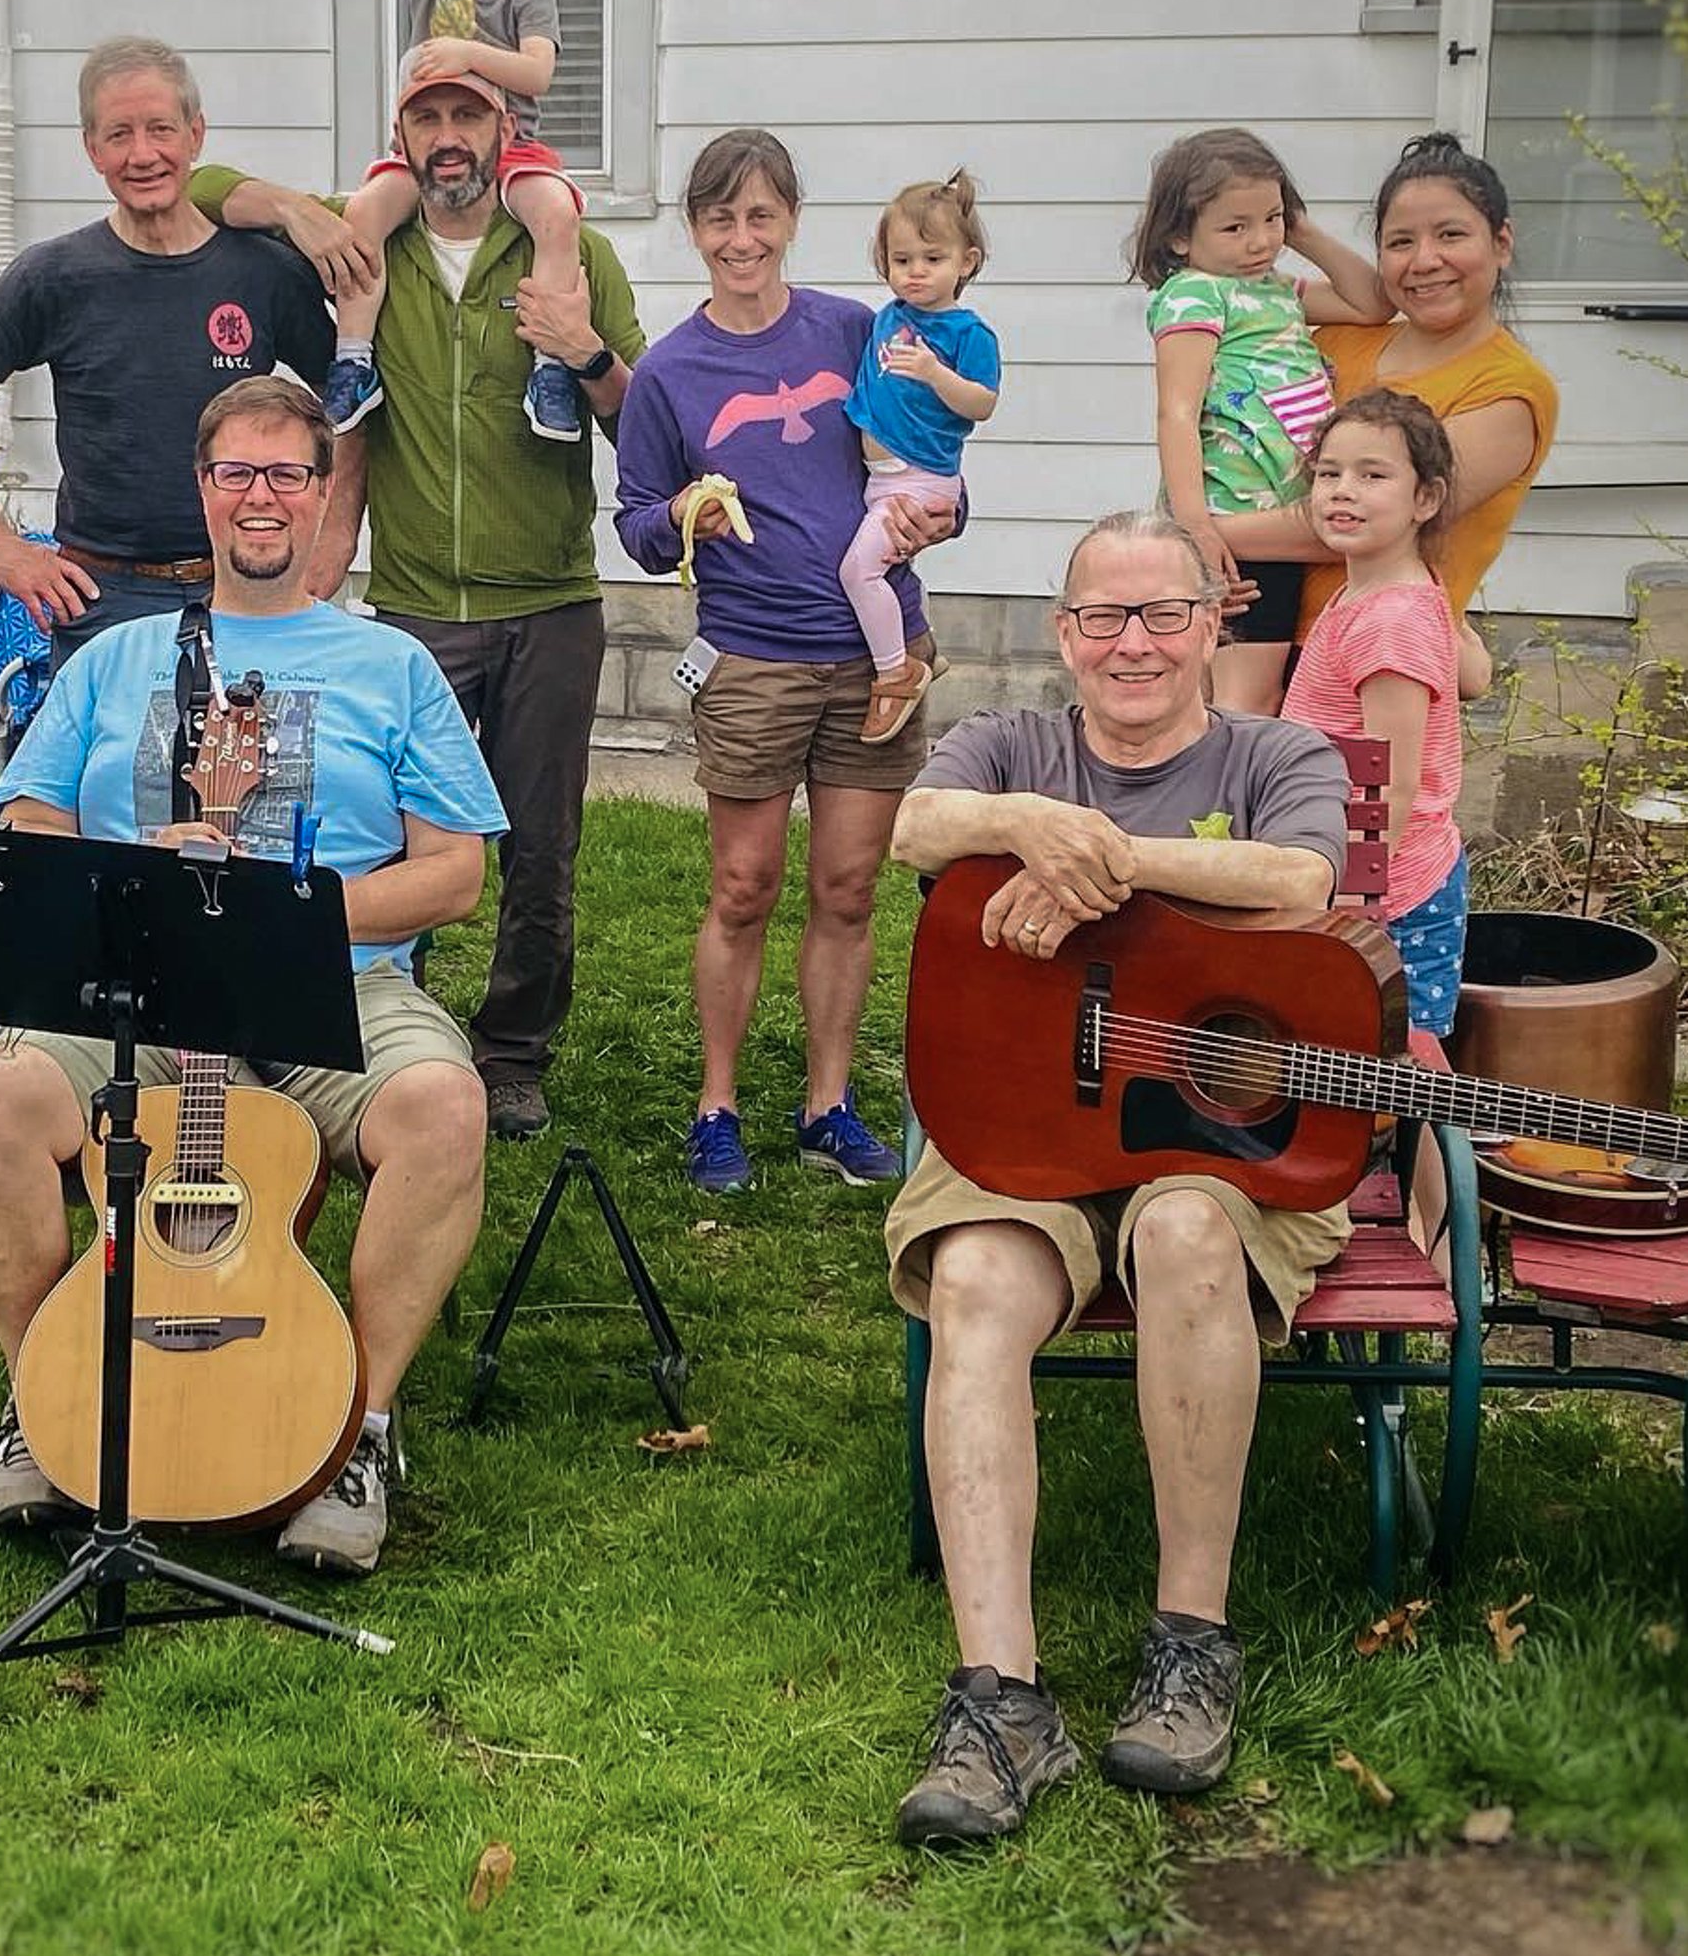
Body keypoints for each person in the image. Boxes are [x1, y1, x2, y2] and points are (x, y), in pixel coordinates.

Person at [0, 376, 506, 1578]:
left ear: (321, 493)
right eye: (238, 473)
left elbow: (454, 872)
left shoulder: (390, 664)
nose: (261, 497)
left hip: (333, 984)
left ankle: (358, 1428)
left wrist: (288, 915)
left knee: (444, 1107)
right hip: (130, 985)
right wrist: (129, 874)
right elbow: (29, 815)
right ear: (202, 491)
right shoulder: (115, 657)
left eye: (287, 474)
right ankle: (46, 1404)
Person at [885, 508, 1351, 1846]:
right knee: (975, 1272)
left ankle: (1191, 1641)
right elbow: (916, 824)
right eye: (1103, 617)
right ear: (1062, 633)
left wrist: (1112, 867)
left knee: (1192, 1231)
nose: (1132, 643)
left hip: (1215, 1145)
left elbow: (1300, 878)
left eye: (1162, 614)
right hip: (1021, 1131)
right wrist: (1033, 821)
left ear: (1215, 622)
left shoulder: (1279, 752)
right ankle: (999, 1703)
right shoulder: (1011, 746)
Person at [186, 66, 646, 1144]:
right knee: (401, 838)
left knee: (541, 844)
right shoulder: (364, 248)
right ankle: (403, 1026)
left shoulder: (571, 253)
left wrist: (581, 349)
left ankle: (514, 1052)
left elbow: (642, 418)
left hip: (549, 598)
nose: (449, 137)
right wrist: (301, 209)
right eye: (427, 118)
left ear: (503, 130)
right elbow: (204, 183)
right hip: (413, 606)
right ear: (401, 135)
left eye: (467, 116)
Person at [611, 130, 954, 1196]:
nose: (740, 237)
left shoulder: (856, 330)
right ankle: (716, 1105)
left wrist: (938, 520)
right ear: (695, 229)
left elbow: (932, 453)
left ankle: (827, 1106)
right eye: (719, 218)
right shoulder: (670, 371)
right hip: (752, 658)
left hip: (876, 655)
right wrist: (678, 512)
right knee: (743, 883)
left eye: (760, 215)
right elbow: (634, 520)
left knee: (848, 887)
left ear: (792, 219)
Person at [0, 38, 335, 657]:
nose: (142, 154)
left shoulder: (264, 274)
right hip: (103, 602)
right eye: (119, 135)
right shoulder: (53, 277)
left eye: (161, 130)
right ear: (91, 148)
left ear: (196, 136)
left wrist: (328, 540)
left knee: (252, 758)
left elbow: (354, 409)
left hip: (246, 590)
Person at [1212, 133, 1559, 659]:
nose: (1424, 261)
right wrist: (1279, 220)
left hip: (1371, 663)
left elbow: (1360, 520)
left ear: (1501, 243)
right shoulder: (1336, 340)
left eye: (1450, 234)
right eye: (1400, 242)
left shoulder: (1508, 391)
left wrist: (1200, 534)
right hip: (1248, 637)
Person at [328, 0, 588, 439]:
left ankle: (549, 366)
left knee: (556, 213)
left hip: (513, 150)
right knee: (362, 212)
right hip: (424, 149)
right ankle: (353, 363)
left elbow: (538, 73)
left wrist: (468, 51)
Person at [1281, 389, 1469, 1248]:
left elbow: (1385, 779)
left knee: (1414, 1066)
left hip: (1391, 889)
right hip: (1369, 877)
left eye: (1372, 474)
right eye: (1328, 474)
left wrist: (1357, 900)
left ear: (1426, 499)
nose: (1341, 492)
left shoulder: (1389, 619)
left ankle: (1439, 1246)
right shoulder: (1388, 593)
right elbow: (1473, 675)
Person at [1127, 128, 1387, 713]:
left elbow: (1372, 302)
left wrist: (1305, 231)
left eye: (1271, 220)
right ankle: (1216, 802)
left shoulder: (1278, 291)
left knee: (1249, 693)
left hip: (1276, 512)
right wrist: (1195, 523)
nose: (1259, 240)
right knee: (1242, 697)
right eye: (1234, 226)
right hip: (1231, 520)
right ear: (1178, 236)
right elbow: (1176, 411)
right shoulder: (1194, 293)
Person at [838, 171, 999, 744]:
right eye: (902, 258)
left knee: (858, 571)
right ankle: (918, 640)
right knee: (890, 568)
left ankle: (896, 673)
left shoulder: (967, 332)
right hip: (881, 480)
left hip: (922, 480)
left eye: (933, 258)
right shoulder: (888, 317)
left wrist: (935, 373)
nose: (916, 272)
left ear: (967, 261)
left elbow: (983, 403)